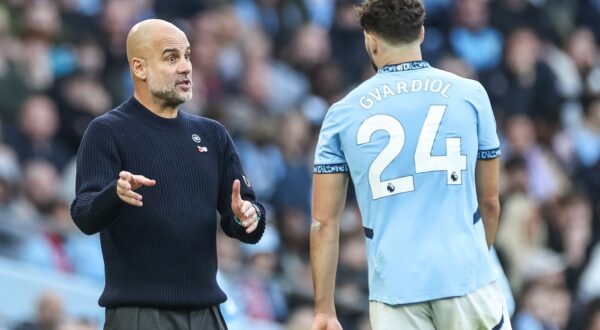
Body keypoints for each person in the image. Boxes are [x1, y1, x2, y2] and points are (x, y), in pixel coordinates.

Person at [310, 1, 512, 329]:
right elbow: (490, 201)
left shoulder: (341, 114)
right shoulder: (470, 94)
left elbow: (323, 223)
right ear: (421, 32)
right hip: (466, 280)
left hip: (395, 290)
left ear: (370, 40)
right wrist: (474, 260)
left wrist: (323, 310)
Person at [70, 19, 266, 330]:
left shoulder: (213, 134)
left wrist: (248, 216)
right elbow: (83, 215)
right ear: (140, 68)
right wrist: (115, 194)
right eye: (171, 57)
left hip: (207, 313)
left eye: (187, 56)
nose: (186, 67)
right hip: (139, 314)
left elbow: (244, 220)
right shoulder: (106, 131)